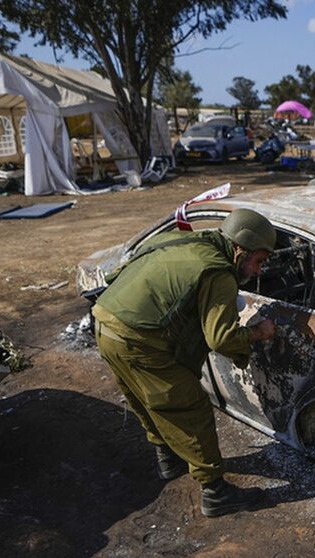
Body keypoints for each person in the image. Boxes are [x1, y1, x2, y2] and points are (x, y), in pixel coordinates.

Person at [92, 208, 278, 517]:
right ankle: (215, 492)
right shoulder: (218, 272)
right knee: (190, 407)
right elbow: (221, 339)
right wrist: (258, 333)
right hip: (137, 338)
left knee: (146, 398)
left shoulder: (184, 241)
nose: (259, 271)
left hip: (105, 322)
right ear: (239, 249)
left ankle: (168, 457)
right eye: (258, 261)